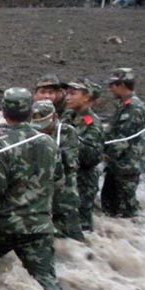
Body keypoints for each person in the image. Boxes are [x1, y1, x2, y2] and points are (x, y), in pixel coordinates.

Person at [0, 88, 68, 290]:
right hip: (39, 226)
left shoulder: (0, 144)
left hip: (3, 226)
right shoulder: (48, 143)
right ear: (30, 112)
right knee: (47, 281)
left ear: (4, 112)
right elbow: (58, 180)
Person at [30, 99, 85, 242]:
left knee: (72, 239)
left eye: (45, 125)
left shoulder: (67, 132)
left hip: (64, 195)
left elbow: (69, 163)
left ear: (55, 117)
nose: (42, 129)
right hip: (41, 196)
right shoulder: (32, 132)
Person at [101, 70, 145, 218]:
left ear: (121, 85)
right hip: (119, 163)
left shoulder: (133, 107)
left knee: (126, 208)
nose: (110, 89)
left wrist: (105, 155)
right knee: (110, 204)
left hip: (126, 165)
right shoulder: (124, 105)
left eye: (112, 85)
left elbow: (123, 139)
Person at [62, 79, 104, 231]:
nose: (67, 97)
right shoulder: (68, 116)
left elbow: (91, 157)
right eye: (67, 93)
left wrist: (71, 143)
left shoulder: (92, 124)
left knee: (81, 226)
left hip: (83, 182)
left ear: (86, 97)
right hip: (66, 180)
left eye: (73, 94)